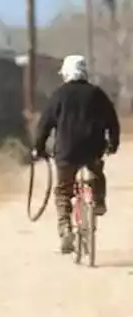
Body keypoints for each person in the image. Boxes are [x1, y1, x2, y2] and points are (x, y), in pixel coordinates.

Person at [31, 54, 120, 254]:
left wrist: (39, 147)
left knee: (63, 191)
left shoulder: (59, 95)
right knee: (97, 174)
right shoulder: (97, 94)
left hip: (66, 152)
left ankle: (65, 230)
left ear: (66, 73)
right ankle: (98, 201)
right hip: (93, 150)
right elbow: (112, 121)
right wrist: (112, 144)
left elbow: (44, 124)